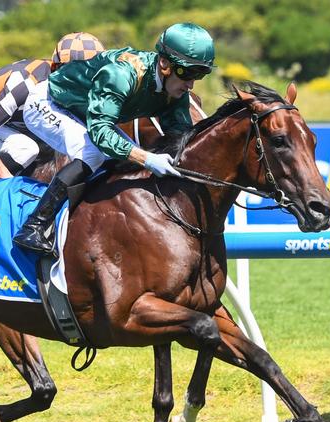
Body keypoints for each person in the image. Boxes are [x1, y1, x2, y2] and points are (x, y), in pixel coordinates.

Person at [13, 22, 215, 254]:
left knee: (122, 159)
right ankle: (34, 226)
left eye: (199, 74)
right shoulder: (122, 74)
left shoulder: (175, 90)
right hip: (49, 102)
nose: (190, 83)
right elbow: (100, 132)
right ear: (164, 63)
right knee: (93, 152)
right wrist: (148, 158)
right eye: (187, 72)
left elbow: (180, 136)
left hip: (85, 112)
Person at [0, 32, 105, 178]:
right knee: (25, 149)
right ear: (58, 67)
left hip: (7, 127)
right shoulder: (28, 84)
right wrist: (2, 174)